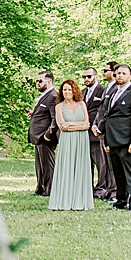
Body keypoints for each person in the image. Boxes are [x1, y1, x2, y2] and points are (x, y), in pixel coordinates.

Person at [101, 64, 131, 210]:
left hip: (127, 141)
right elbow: (109, 118)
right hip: (113, 140)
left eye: (123, 73)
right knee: (118, 173)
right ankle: (121, 200)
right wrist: (107, 140)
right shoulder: (114, 93)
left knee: (130, 172)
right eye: (118, 73)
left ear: (130, 76)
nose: (120, 76)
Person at [47, 79, 96, 210]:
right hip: (67, 141)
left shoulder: (82, 104)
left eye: (69, 89)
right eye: (64, 90)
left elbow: (87, 124)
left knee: (81, 167)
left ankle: (80, 201)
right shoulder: (59, 107)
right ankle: (65, 200)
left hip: (82, 141)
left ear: (74, 91)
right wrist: (78, 126)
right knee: (67, 167)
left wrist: (71, 125)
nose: (67, 92)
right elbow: (62, 126)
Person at [87, 65, 117, 202]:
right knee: (104, 163)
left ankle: (110, 191)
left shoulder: (110, 89)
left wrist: (100, 126)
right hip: (92, 131)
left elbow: (107, 111)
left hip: (105, 131)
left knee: (107, 164)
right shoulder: (109, 88)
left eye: (106, 70)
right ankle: (107, 190)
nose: (104, 72)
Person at [27, 71, 59, 197]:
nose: (37, 84)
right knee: (40, 165)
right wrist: (33, 114)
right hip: (37, 137)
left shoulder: (53, 96)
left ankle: (50, 190)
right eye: (37, 81)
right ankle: (41, 188)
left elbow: (55, 118)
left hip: (45, 137)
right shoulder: (44, 95)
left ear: (49, 81)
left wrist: (48, 135)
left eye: (40, 81)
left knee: (48, 165)